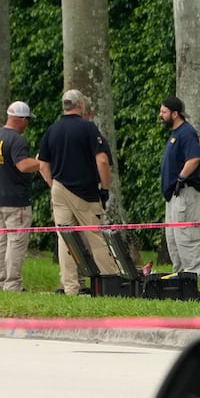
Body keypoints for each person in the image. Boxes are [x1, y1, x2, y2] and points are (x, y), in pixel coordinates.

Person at [36, 88, 117, 294]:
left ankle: (71, 286)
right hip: (84, 192)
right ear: (80, 105)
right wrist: (105, 189)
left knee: (65, 239)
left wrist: (53, 185)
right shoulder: (88, 129)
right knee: (95, 236)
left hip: (59, 190)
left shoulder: (52, 130)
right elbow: (102, 160)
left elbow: (42, 164)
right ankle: (110, 283)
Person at [0, 100, 40, 291]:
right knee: (16, 243)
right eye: (27, 120)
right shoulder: (17, 140)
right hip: (15, 201)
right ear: (20, 119)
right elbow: (23, 165)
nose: (27, 124)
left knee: (0, 241)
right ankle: (12, 285)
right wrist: (41, 163)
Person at [159, 95, 200, 277]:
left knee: (187, 236)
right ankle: (180, 276)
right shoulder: (175, 134)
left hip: (185, 193)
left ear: (175, 113)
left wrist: (180, 178)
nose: (160, 115)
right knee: (173, 238)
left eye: (164, 112)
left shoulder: (187, 133)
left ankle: (195, 274)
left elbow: (194, 158)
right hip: (173, 196)